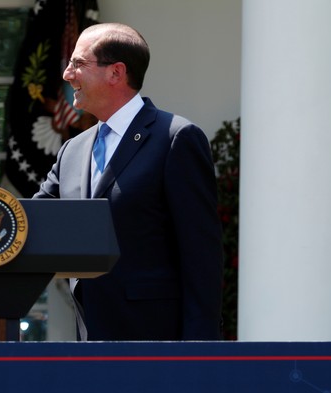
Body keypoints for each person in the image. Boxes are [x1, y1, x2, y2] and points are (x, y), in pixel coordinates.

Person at [34, 23, 222, 341]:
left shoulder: (175, 138)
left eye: (78, 63)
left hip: (157, 345)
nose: (67, 74)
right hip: (91, 342)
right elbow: (33, 221)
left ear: (116, 73)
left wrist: (199, 352)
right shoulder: (72, 150)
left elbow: (201, 256)